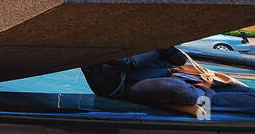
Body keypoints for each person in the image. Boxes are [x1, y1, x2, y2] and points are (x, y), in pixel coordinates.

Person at [81, 47, 255, 114]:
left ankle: (208, 91)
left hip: (171, 74)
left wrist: (164, 47)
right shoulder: (101, 36)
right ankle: (206, 94)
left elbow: (179, 60)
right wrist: (159, 47)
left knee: (234, 87)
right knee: (180, 90)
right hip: (125, 83)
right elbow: (127, 63)